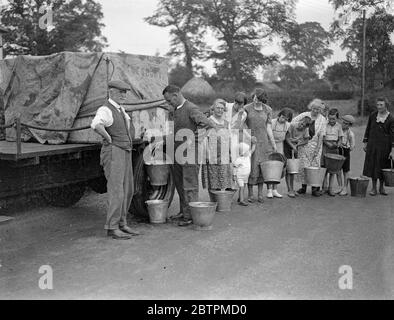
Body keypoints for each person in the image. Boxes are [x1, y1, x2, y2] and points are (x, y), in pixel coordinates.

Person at [162, 85, 217, 226]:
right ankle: (184, 212)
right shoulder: (174, 110)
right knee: (180, 184)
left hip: (190, 155)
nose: (169, 103)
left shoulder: (191, 108)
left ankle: (191, 216)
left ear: (176, 95)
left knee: (190, 185)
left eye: (169, 100)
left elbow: (209, 124)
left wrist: (201, 134)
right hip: (176, 153)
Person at [91, 80, 139, 240]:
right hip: (114, 151)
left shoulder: (120, 109)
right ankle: (112, 227)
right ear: (111, 92)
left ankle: (122, 223)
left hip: (124, 150)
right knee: (116, 190)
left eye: (125, 92)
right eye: (120, 92)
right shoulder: (105, 109)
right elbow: (96, 124)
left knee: (128, 189)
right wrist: (108, 138)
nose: (124, 95)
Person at [244, 88, 277, 203]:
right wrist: (248, 137)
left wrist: (273, 143)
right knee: (251, 167)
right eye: (254, 98)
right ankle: (250, 194)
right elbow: (242, 125)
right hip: (250, 141)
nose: (256, 101)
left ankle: (260, 194)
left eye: (259, 99)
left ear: (263, 100)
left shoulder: (268, 110)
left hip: (263, 143)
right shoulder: (246, 108)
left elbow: (268, 127)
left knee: (262, 167)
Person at [292, 99, 327, 197]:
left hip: (316, 145)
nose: (316, 111)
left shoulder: (322, 119)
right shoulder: (304, 115)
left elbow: (321, 135)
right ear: (311, 107)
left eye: (318, 109)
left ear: (320, 110)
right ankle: (303, 188)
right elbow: (293, 123)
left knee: (315, 167)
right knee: (304, 166)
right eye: (314, 109)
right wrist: (299, 133)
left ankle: (314, 189)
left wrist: (317, 148)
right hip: (303, 145)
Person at [362, 97, 394, 196]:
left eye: (381, 105)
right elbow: (368, 129)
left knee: (383, 166)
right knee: (373, 165)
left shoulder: (391, 118)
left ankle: (381, 187)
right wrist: (365, 142)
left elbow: (393, 135)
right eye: (378, 105)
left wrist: (392, 150)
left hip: (385, 146)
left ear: (386, 106)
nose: (379, 107)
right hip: (373, 145)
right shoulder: (373, 115)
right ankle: (374, 188)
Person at [201, 99, 233, 191]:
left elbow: (229, 139)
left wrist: (230, 153)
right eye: (218, 108)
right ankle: (214, 202)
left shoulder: (227, 123)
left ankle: (223, 203)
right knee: (213, 182)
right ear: (213, 109)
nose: (220, 110)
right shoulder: (208, 121)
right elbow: (204, 139)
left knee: (225, 181)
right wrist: (206, 154)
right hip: (212, 155)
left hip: (224, 155)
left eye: (222, 108)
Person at [267, 108, 293, 199]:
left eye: (286, 119)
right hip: (270, 145)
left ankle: (275, 190)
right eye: (282, 117)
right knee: (270, 168)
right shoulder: (272, 122)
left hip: (280, 146)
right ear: (279, 115)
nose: (283, 120)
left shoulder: (288, 125)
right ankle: (269, 190)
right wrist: (272, 145)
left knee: (278, 168)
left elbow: (287, 137)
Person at [284, 116, 312, 198]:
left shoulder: (305, 130)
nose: (302, 126)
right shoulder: (292, 125)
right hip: (287, 146)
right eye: (301, 123)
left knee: (293, 169)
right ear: (300, 120)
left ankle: (292, 189)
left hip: (296, 148)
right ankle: (289, 190)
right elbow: (287, 138)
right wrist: (293, 146)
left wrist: (298, 145)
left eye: (304, 126)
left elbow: (306, 140)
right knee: (288, 169)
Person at [322, 108, 344, 196]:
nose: (331, 120)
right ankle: (324, 187)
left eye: (333, 119)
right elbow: (323, 138)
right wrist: (328, 144)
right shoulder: (324, 125)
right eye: (330, 118)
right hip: (326, 147)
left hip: (334, 148)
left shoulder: (339, 126)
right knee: (324, 169)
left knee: (333, 169)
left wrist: (338, 144)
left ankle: (330, 188)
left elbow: (340, 138)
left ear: (337, 118)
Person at [233, 139, 256, 206]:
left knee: (243, 187)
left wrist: (254, 144)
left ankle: (240, 197)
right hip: (239, 176)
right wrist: (234, 175)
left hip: (246, 176)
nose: (248, 151)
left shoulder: (247, 156)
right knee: (241, 187)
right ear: (243, 152)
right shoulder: (238, 160)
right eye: (247, 150)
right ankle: (241, 201)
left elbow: (252, 150)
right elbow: (234, 167)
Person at [338, 115, 356, 196]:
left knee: (346, 170)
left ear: (349, 125)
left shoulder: (350, 134)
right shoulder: (338, 130)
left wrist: (346, 148)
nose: (344, 125)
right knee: (337, 169)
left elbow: (352, 146)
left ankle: (345, 187)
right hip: (338, 150)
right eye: (343, 123)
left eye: (346, 124)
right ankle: (340, 186)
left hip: (346, 151)